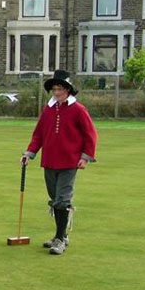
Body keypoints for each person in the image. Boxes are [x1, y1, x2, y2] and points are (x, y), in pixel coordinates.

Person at [20, 69, 97, 255]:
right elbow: (38, 134)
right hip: (49, 161)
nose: (56, 92)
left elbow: (90, 134)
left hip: (70, 162)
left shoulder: (78, 110)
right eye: (54, 89)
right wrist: (29, 153)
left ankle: (61, 239)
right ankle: (59, 235)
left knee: (63, 201)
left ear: (68, 90)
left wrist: (85, 157)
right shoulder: (48, 109)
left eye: (60, 89)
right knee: (55, 201)